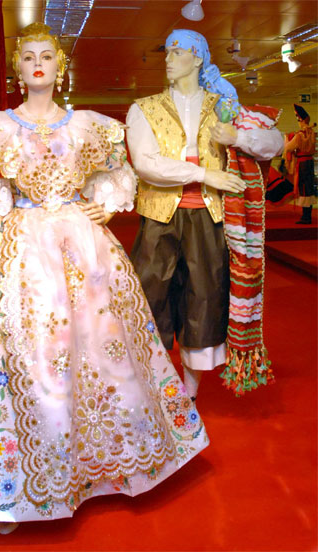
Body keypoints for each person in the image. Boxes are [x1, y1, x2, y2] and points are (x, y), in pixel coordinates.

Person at [0, 23, 208, 534]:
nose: (38, 64)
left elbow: (117, 174)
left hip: (86, 251)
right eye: (29, 57)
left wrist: (105, 209)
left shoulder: (90, 127)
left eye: (47, 56)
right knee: (33, 357)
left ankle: (107, 469)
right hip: (24, 251)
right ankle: (19, 489)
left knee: (101, 351)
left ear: (61, 66)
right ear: (18, 67)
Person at [126, 29, 283, 399]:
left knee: (204, 299)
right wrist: (204, 174)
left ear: (198, 58)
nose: (168, 59)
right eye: (167, 52)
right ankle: (151, 384)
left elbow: (275, 142)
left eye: (177, 52)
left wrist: (238, 138)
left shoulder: (225, 106)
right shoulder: (144, 108)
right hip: (159, 217)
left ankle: (190, 391)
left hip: (211, 218)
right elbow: (146, 164)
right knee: (150, 296)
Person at [283, 104, 316, 224]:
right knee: (308, 188)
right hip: (309, 162)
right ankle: (307, 215)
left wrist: (286, 138)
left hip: (302, 164)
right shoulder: (311, 132)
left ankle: (306, 217)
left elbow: (288, 148)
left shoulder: (299, 135)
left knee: (303, 188)